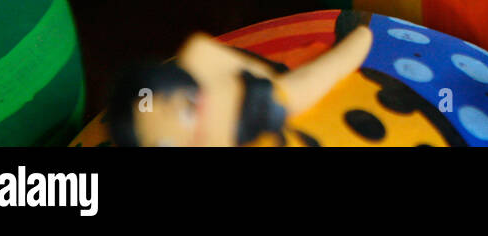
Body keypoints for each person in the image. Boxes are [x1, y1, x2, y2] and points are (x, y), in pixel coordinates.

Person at [107, 24, 373, 147]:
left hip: (261, 101)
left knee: (304, 87)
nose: (189, 135)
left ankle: (358, 43)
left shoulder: (197, 56)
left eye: (186, 108)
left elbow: (253, 72)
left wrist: (267, 86)